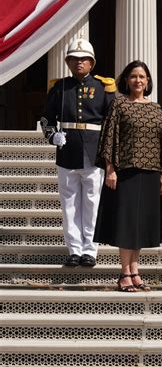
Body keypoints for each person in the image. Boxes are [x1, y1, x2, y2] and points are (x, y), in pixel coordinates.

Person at [94, 60, 162, 292]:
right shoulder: (119, 105)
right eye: (133, 76)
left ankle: (135, 270)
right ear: (126, 81)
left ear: (148, 81)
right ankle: (124, 273)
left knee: (141, 224)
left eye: (142, 77)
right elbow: (109, 137)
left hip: (150, 173)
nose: (138, 80)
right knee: (127, 222)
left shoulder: (156, 108)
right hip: (125, 171)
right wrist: (110, 169)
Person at [41, 38, 116, 267]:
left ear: (91, 63)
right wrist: (52, 135)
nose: (78, 63)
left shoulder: (103, 88)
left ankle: (90, 250)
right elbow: (46, 118)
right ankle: (74, 248)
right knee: (69, 203)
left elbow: (112, 122)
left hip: (94, 152)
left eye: (83, 59)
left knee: (92, 203)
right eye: (73, 59)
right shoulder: (59, 87)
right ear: (68, 62)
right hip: (67, 151)